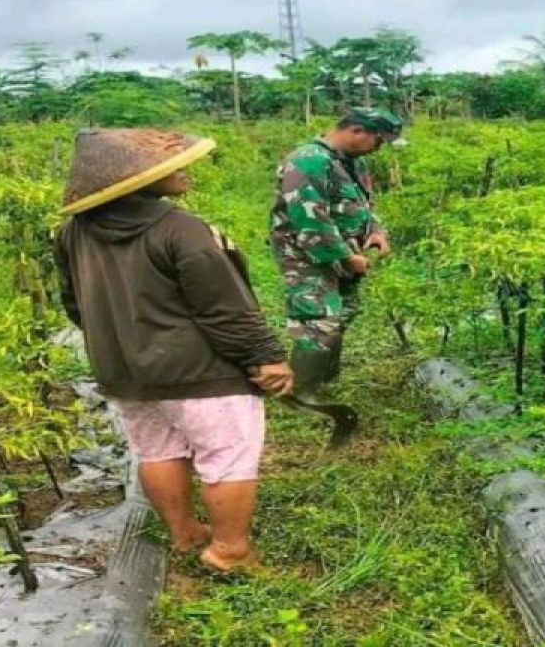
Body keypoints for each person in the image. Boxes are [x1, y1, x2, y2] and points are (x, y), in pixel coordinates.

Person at [54, 128, 292, 573]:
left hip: (127, 372)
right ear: (135, 180)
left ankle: (184, 535)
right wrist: (265, 356)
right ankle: (229, 551)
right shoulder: (180, 229)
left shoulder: (73, 232)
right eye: (170, 165)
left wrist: (125, 343)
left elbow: (76, 304)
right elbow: (224, 307)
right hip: (199, 372)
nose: (183, 169)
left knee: (158, 450)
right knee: (227, 454)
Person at [269, 108, 405, 446]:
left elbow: (363, 206)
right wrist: (345, 258)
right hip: (309, 257)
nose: (380, 148)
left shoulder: (351, 162)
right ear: (357, 130)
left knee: (344, 311)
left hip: (346, 253)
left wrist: (375, 231)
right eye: (379, 140)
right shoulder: (308, 161)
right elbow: (309, 223)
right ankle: (299, 391)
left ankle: (322, 377)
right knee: (319, 320)